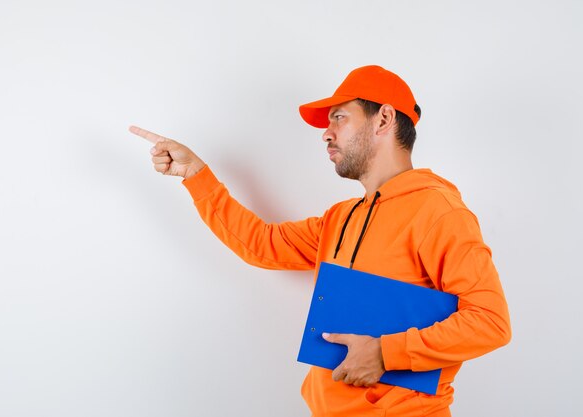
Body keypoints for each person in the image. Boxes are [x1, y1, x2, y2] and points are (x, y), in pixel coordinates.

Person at [129, 65, 511, 417]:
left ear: (384, 118)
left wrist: (384, 353)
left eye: (339, 118)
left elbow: (490, 322)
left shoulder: (438, 211)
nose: (326, 133)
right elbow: (261, 244)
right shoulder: (341, 218)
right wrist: (195, 174)